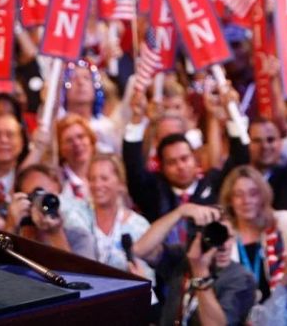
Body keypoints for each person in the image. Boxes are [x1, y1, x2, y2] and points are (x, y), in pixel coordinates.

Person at [123, 83, 248, 221]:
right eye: (172, 162)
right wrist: (137, 119)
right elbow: (133, 166)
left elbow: (240, 160)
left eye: (185, 158)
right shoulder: (153, 192)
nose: (180, 166)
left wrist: (233, 113)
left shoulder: (214, 183)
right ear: (162, 168)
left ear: (195, 159)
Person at [218, 158, 287, 303]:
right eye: (238, 195)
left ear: (263, 196)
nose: (246, 200)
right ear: (230, 200)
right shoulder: (224, 236)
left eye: (253, 193)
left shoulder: (281, 223)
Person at [134, 202, 256, 326]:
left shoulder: (241, 278)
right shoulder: (185, 258)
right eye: (216, 237)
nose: (224, 246)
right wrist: (180, 212)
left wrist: (200, 272)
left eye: (228, 237)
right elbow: (140, 250)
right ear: (200, 236)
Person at [4, 163, 94, 259]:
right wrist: (10, 227)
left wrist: (56, 233)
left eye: (49, 196)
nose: (43, 202)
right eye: (35, 196)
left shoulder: (78, 237)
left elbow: (79, 273)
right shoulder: (13, 235)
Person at [86, 153, 150, 272]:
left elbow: (148, 276)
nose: (97, 185)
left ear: (120, 182)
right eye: (92, 179)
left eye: (104, 178)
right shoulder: (80, 218)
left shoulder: (138, 225)